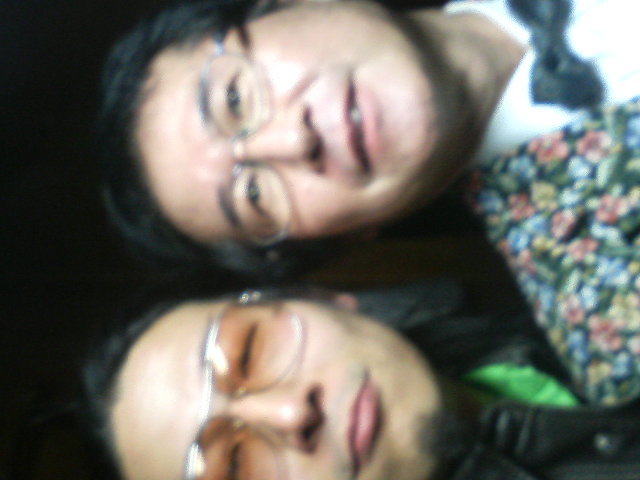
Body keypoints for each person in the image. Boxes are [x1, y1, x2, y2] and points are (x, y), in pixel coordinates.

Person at [82, 284, 640, 480]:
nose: (291, 415)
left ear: (320, 297)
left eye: (250, 349)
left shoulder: (540, 292)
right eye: (237, 468)